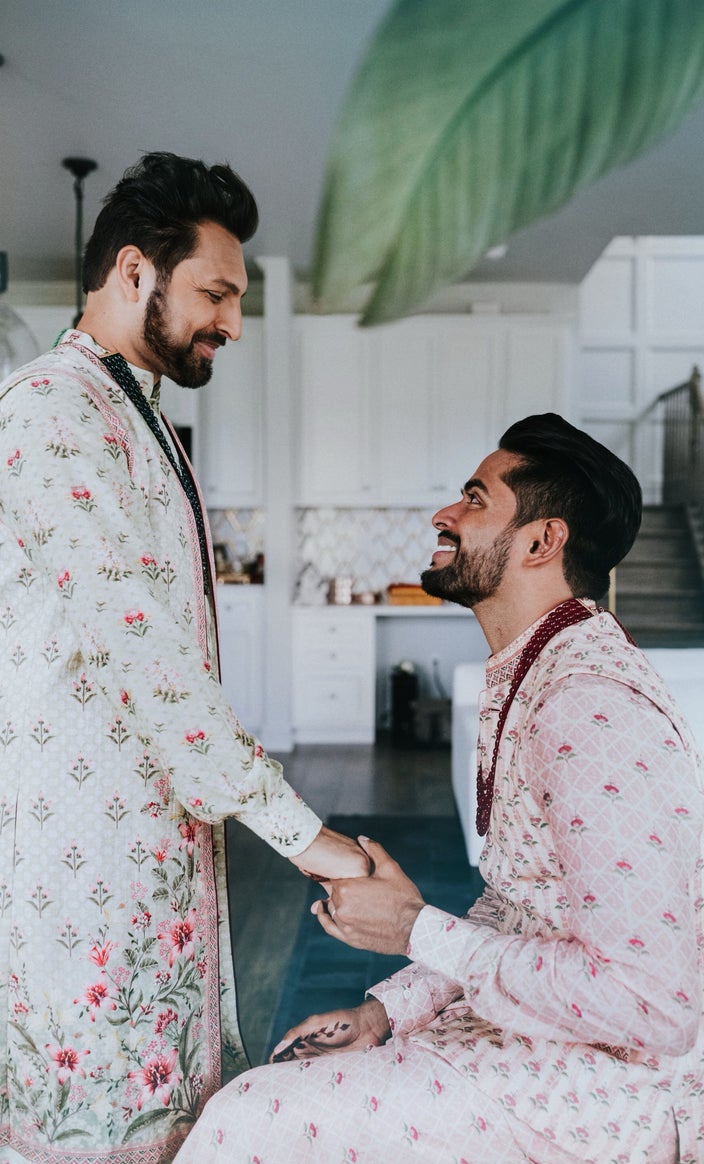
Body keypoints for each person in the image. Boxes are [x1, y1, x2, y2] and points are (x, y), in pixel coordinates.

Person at [177, 414, 704, 1164]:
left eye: (474, 498)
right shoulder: (537, 671)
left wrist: (415, 927)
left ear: (541, 541)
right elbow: (521, 904)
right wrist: (383, 1012)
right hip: (536, 1046)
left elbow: (653, 1004)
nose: (444, 514)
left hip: (615, 1090)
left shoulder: (590, 705)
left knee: (248, 1118)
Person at [0, 152, 367, 1163]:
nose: (233, 323)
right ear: (133, 272)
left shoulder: (139, 413)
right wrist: (308, 839)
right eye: (216, 292)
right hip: (82, 861)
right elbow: (141, 653)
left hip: (153, 846)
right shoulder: (50, 412)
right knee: (89, 1128)